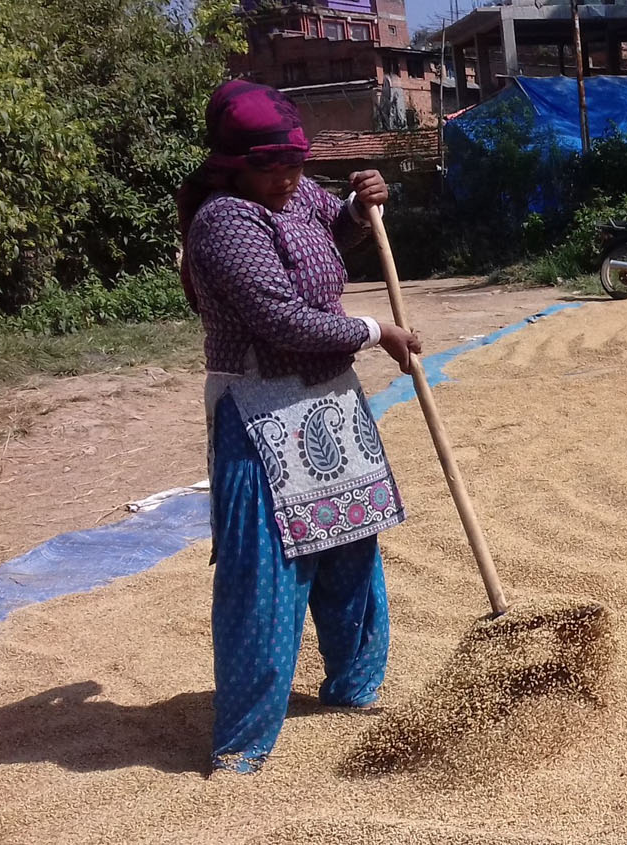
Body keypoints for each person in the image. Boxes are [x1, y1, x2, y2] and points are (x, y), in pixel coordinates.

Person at [176, 79, 422, 775]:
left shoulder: (297, 191)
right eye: (272, 167)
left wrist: (360, 201)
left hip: (328, 406)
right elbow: (282, 318)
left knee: (349, 548)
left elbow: (333, 222)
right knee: (267, 574)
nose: (288, 178)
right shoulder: (223, 222)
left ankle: (353, 687)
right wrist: (378, 330)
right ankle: (245, 738)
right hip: (263, 412)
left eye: (295, 163)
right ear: (233, 165)